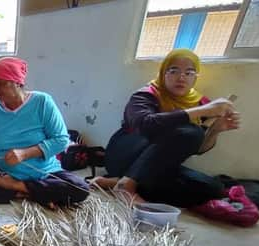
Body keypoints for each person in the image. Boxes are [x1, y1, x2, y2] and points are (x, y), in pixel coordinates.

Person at [92, 49, 240, 206]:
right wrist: (204, 111)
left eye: (189, 73)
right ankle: (125, 185)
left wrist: (216, 130)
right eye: (174, 71)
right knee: (192, 132)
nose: (181, 77)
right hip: (124, 155)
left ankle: (115, 182)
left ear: (195, 77)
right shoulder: (145, 95)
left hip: (154, 166)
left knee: (212, 189)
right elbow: (146, 124)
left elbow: (197, 148)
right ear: (163, 73)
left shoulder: (201, 103)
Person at [0, 57, 89, 208]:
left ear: (18, 82)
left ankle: (17, 187)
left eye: (2, 84)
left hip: (43, 173)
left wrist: (25, 154)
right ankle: (35, 193)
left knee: (80, 188)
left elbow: (61, 139)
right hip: (2, 172)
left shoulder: (42, 102)